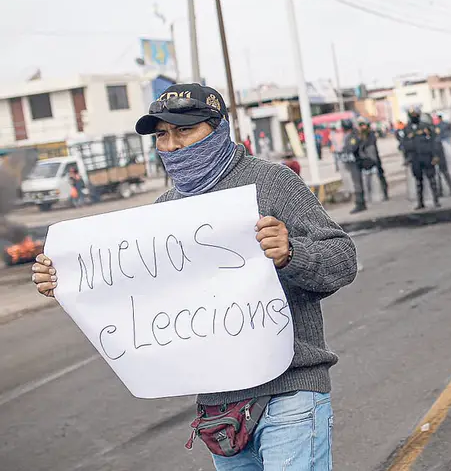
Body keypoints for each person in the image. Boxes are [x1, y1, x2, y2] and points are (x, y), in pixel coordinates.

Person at [30, 83, 358, 471]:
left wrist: (291, 254)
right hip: (220, 411)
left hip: (288, 393)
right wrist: (68, 281)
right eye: (162, 135)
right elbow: (138, 292)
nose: (171, 145)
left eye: (183, 130)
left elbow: (342, 259)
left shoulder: (271, 183)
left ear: (218, 129)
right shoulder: (164, 210)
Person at [399, 106, 440, 210]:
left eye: (415, 115)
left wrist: (435, 155)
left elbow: (434, 141)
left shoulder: (426, 126)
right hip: (415, 158)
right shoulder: (406, 129)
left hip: (427, 156)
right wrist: (406, 158)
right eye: (412, 115)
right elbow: (403, 144)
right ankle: (420, 202)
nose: (414, 117)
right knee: (418, 181)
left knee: (432, 179)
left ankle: (436, 200)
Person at [356, 117, 389, 202]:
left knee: (380, 176)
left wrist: (372, 160)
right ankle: (368, 196)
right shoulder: (358, 136)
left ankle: (384, 193)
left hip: (373, 159)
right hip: (364, 161)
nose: (362, 127)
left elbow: (371, 149)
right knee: (366, 181)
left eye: (363, 125)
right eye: (360, 125)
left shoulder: (370, 135)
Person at [337, 118, 366, 214]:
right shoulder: (350, 135)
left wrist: (344, 150)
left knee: (357, 183)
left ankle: (360, 203)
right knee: (355, 183)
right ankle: (359, 202)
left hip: (355, 163)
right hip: (351, 163)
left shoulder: (353, 136)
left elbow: (352, 148)